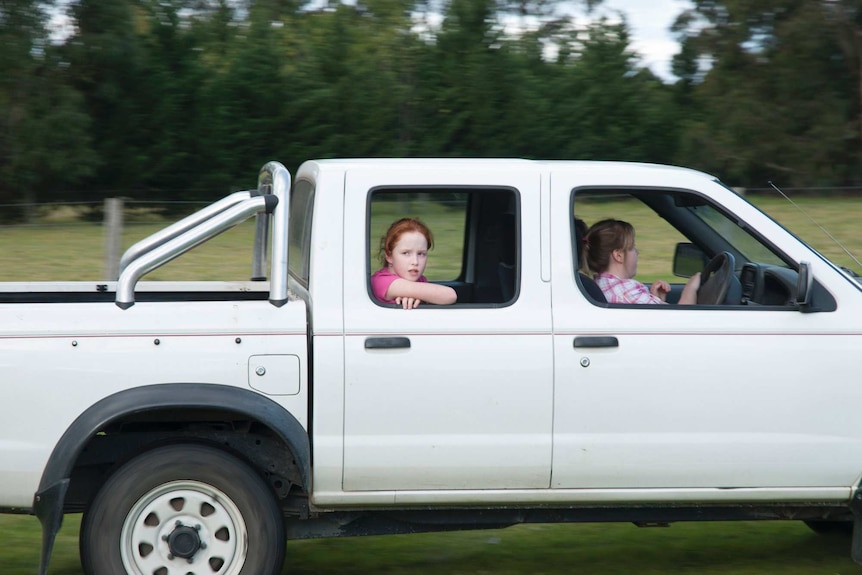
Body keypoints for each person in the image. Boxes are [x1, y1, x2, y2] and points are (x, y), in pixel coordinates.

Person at [584, 218, 700, 305]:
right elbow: (679, 321)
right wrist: (690, 288)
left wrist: (655, 300)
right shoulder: (627, 291)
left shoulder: (600, 285)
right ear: (618, 255)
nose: (637, 252)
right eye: (632, 248)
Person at [371, 217, 457, 309]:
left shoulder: (420, 280)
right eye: (406, 253)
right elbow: (450, 295)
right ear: (389, 256)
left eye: (421, 254)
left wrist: (419, 298)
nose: (415, 262)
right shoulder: (381, 282)